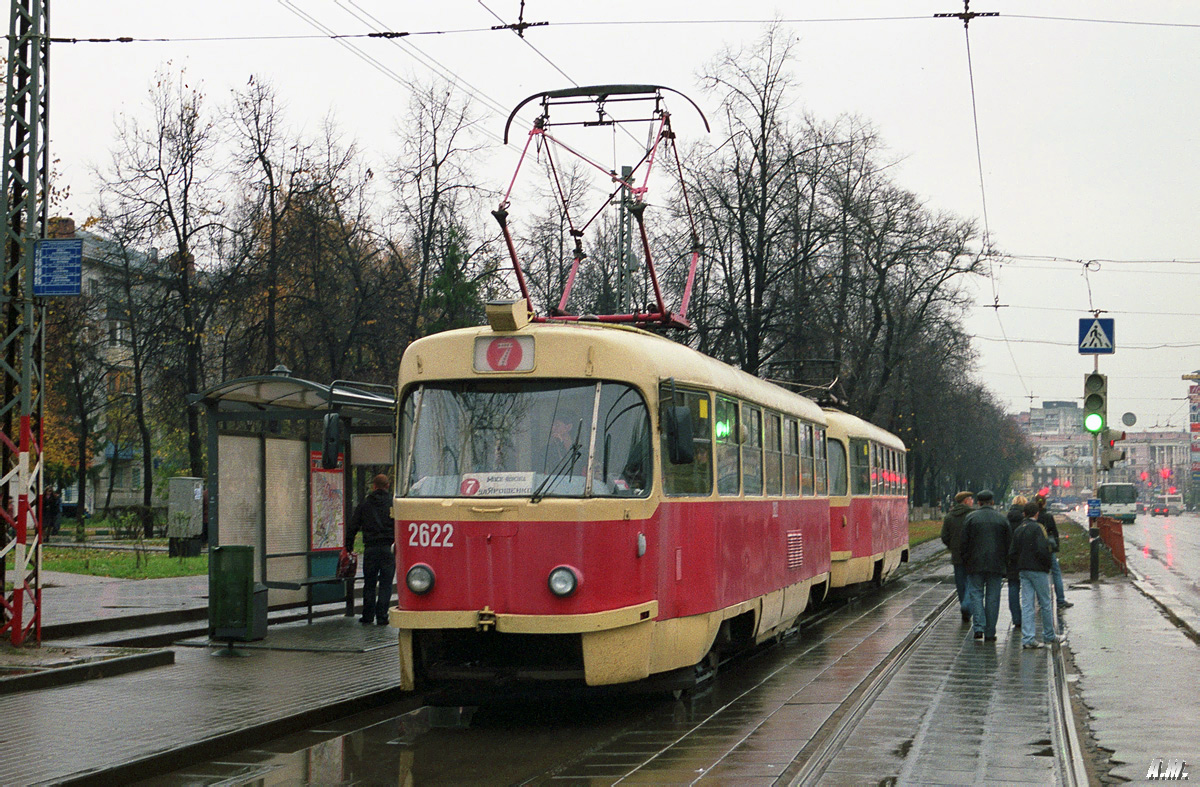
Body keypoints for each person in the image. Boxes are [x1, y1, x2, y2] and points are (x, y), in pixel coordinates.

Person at [960, 489, 1011, 642]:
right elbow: (1009, 544)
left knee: (976, 594)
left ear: (979, 502)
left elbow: (964, 543)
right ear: (993, 502)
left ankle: (978, 627)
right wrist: (1005, 563)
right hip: (996, 564)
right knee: (993, 597)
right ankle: (990, 632)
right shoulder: (1002, 519)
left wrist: (966, 560)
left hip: (975, 564)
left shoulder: (971, 518)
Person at [1010, 500, 1061, 648]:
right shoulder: (1038, 529)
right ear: (1037, 514)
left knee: (1027, 604)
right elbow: (1043, 550)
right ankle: (1049, 635)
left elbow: (1013, 552)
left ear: (1024, 514)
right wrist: (1046, 566)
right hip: (1038, 570)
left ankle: (1028, 638)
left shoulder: (1019, 529)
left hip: (1023, 570)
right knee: (1045, 602)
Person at [345, 474, 395, 626]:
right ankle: (382, 616)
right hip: (388, 549)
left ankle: (367, 615)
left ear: (374, 486)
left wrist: (349, 546)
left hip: (370, 549)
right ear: (387, 486)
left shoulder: (365, 504)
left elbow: (353, 525)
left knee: (370, 583)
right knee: (386, 584)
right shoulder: (393, 503)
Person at [941, 491, 974, 622]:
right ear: (966, 501)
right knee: (971, 581)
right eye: (971, 499)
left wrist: (952, 547)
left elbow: (944, 536)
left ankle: (963, 606)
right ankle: (966, 605)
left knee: (960, 584)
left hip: (957, 556)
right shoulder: (972, 515)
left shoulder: (949, 516)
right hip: (971, 555)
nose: (972, 501)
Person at [1035, 494, 1072, 609]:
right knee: (1056, 573)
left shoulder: (1034, 517)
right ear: (1045, 503)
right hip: (1048, 548)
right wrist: (1056, 547)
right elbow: (1054, 533)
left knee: (1040, 574)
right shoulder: (1048, 516)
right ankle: (1060, 599)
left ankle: (1041, 600)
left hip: (1035, 549)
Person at [1005, 494, 1028, 630]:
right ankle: (1026, 617)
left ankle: (1016, 619)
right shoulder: (1025, 521)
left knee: (1012, 587)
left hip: (1010, 558)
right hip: (1025, 558)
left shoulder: (1006, 519)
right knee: (1026, 589)